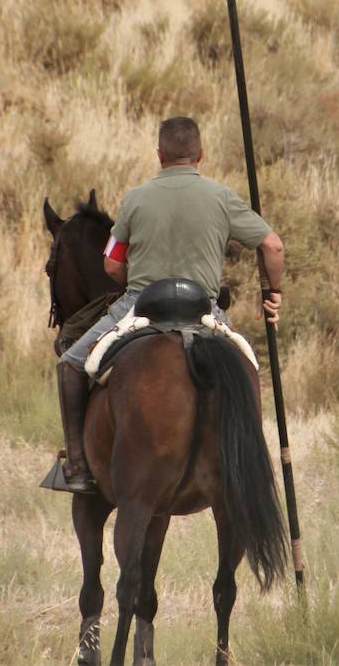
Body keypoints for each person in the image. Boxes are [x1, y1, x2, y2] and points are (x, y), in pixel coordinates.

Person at [55, 116, 285, 493]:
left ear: (159, 155)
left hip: (141, 306)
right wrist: (271, 293)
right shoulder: (222, 197)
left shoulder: (134, 199)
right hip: (204, 308)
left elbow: (112, 264)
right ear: (201, 155)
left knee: (71, 364)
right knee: (245, 368)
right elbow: (273, 246)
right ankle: (246, 462)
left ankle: (78, 467)